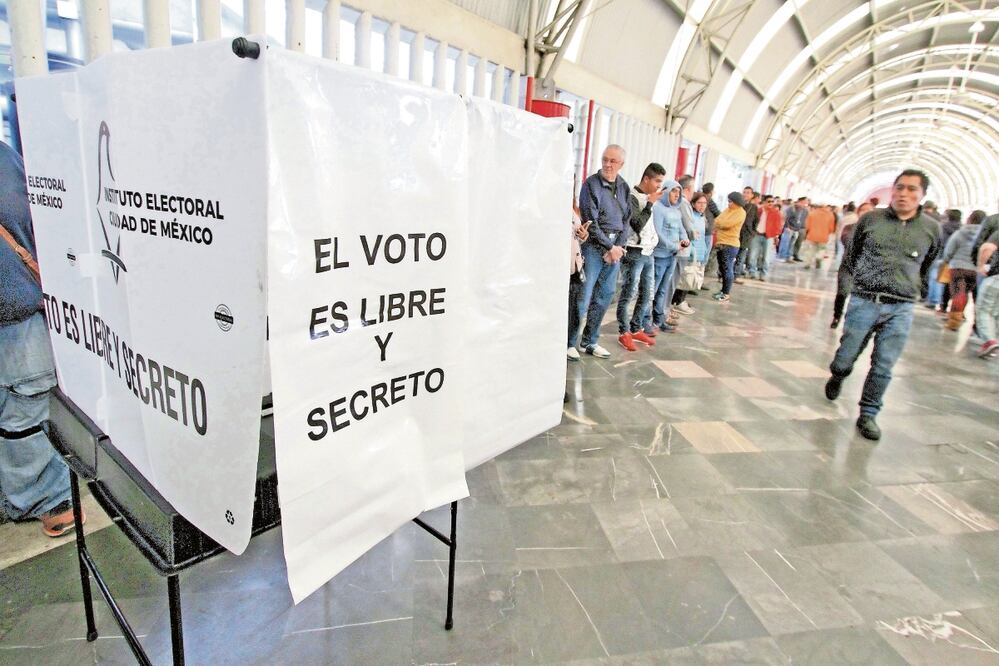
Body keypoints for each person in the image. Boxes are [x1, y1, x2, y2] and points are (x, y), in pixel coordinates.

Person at [1, 141, 83, 537]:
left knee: (24, 408)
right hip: (15, 310)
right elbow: (36, 218)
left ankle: (30, 495)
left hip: (14, 310)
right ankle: (46, 499)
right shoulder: (4, 158)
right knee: (27, 408)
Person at [825, 169, 941, 440]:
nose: (904, 193)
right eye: (900, 187)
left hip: (901, 307)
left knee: (883, 365)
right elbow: (852, 257)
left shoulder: (931, 228)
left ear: (922, 194)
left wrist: (913, 287)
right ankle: (839, 374)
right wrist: (858, 284)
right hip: (865, 301)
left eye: (912, 189)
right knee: (845, 356)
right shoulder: (871, 220)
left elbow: (927, 264)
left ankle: (868, 413)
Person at [569, 145, 632, 359]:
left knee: (604, 296)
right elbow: (590, 220)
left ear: (621, 164)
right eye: (605, 159)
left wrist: (618, 248)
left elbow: (627, 221)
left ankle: (590, 341)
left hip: (614, 249)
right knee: (582, 297)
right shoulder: (591, 185)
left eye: (613, 161)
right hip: (595, 247)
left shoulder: (624, 187)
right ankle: (570, 343)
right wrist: (608, 247)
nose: (608, 164)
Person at [616, 163, 665, 351]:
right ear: (646, 179)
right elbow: (637, 224)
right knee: (629, 292)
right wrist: (651, 203)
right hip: (634, 250)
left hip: (648, 251)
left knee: (647, 293)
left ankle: (636, 328)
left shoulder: (648, 197)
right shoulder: (633, 197)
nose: (659, 186)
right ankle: (624, 332)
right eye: (657, 181)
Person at [649, 180, 688, 331]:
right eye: (673, 191)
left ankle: (659, 320)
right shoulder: (658, 208)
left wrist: (684, 240)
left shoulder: (676, 211)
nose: (676, 195)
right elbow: (658, 232)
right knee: (654, 289)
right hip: (660, 255)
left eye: (678, 192)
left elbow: (681, 229)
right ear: (665, 191)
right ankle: (648, 322)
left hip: (672, 256)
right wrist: (674, 245)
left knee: (663, 290)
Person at [941, 210, 985, 331]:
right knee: (972, 296)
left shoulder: (960, 232)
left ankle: (954, 322)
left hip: (958, 267)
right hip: (976, 269)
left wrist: (947, 260)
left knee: (959, 294)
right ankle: (976, 325)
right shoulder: (985, 236)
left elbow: (949, 250)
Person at [831, 202, 873, 328]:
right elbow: (847, 241)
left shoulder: (879, 231)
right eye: (863, 210)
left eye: (868, 210)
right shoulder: (849, 227)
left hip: (866, 269)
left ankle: (855, 321)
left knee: (861, 297)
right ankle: (837, 316)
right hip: (848, 266)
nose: (865, 212)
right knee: (842, 292)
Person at [712, 192, 746, 303]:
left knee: (727, 269)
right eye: (728, 201)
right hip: (721, 243)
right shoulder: (728, 210)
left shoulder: (741, 212)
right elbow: (717, 220)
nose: (729, 203)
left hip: (730, 245)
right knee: (722, 268)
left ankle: (726, 293)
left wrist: (720, 223)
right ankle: (722, 291)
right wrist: (720, 223)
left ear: (737, 202)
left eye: (731, 201)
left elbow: (726, 224)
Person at [975, 228, 999, 358]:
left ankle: (990, 341)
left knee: (984, 310)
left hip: (996, 277)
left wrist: (981, 265)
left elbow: (987, 247)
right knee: (996, 312)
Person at [747, 195, 782, 281]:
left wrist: (776, 236)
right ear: (764, 202)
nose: (771, 203)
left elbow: (778, 226)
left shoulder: (776, 213)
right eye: (769, 201)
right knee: (752, 255)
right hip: (756, 235)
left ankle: (763, 274)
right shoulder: (758, 211)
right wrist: (752, 232)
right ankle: (752, 272)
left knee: (766, 257)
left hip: (768, 237)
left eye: (772, 202)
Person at [801, 203, 836, 269]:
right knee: (822, 249)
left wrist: (806, 233)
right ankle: (818, 257)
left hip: (812, 235)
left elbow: (807, 226)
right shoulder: (830, 215)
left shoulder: (812, 213)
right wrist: (829, 233)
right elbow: (831, 228)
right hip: (824, 236)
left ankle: (807, 263)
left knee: (810, 250)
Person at [734, 187, 758, 282]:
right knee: (732, 255)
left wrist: (752, 232)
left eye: (748, 193)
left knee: (741, 256)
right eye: (744, 192)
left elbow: (756, 221)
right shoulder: (737, 205)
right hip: (735, 233)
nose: (745, 194)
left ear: (752, 195)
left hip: (746, 236)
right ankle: (725, 275)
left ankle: (735, 275)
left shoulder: (753, 207)